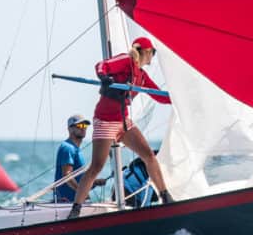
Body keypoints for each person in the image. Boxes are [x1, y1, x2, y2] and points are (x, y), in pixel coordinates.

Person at [67, 37, 174, 219]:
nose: (153, 56)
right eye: (153, 53)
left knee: (149, 156)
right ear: (146, 51)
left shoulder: (142, 76)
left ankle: (165, 197)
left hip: (124, 123)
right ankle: (75, 209)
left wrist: (178, 99)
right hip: (105, 121)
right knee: (96, 166)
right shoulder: (126, 60)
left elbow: (160, 96)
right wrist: (104, 77)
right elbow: (101, 65)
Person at [53, 114, 105, 203]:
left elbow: (79, 179)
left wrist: (95, 182)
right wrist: (82, 193)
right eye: (80, 125)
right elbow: (67, 176)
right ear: (70, 129)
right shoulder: (67, 148)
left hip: (76, 201)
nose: (83, 128)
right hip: (66, 202)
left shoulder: (76, 149)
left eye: (85, 126)